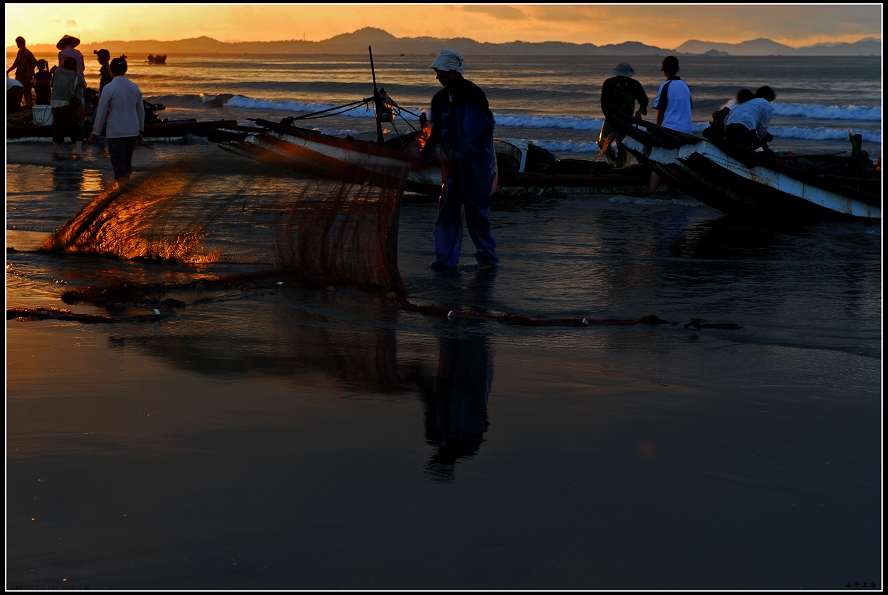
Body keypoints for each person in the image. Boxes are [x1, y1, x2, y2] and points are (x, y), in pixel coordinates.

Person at [420, 49, 499, 270]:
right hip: (453, 167)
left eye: (440, 72)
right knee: (446, 212)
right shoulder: (441, 98)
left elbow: (482, 130)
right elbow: (436, 132)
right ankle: (445, 260)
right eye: (436, 72)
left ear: (454, 72)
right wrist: (425, 154)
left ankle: (487, 258)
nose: (437, 77)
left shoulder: (473, 94)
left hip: (476, 165)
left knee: (476, 213)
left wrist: (464, 153)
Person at [88, 57, 145, 184]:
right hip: (132, 131)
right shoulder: (134, 87)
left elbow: (101, 112)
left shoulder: (109, 88)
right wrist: (141, 130)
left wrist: (95, 132)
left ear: (110, 70)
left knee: (119, 169)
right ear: (126, 70)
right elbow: (141, 111)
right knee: (127, 164)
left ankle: (124, 196)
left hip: (115, 132)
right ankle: (125, 189)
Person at [649, 55, 693, 195]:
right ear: (678, 69)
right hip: (686, 130)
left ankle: (652, 192)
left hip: (670, 129)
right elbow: (689, 108)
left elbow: (661, 111)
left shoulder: (665, 86)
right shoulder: (686, 86)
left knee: (657, 159)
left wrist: (658, 129)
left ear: (664, 70)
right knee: (678, 159)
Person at [598, 61, 648, 168]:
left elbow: (644, 101)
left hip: (627, 121)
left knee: (623, 146)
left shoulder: (635, 85)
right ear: (617, 74)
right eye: (621, 76)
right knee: (602, 143)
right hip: (611, 118)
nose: (622, 78)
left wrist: (640, 112)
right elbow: (604, 105)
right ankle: (614, 161)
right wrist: (612, 120)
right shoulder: (608, 83)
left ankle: (621, 167)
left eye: (625, 77)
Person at [49, 57, 86, 156]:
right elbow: (83, 84)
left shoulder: (56, 72)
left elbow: (51, 84)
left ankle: (54, 151)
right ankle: (78, 153)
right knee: (76, 127)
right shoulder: (76, 74)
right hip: (67, 103)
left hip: (54, 103)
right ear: (75, 66)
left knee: (57, 127)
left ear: (63, 64)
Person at [724, 85, 777, 152]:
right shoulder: (766, 104)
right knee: (759, 150)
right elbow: (762, 128)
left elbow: (727, 118)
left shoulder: (746, 103)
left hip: (729, 127)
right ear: (770, 97)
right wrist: (763, 137)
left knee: (750, 144)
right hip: (745, 128)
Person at [57, 34, 86, 121]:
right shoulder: (79, 53)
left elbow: (61, 68)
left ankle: (69, 121)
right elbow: (83, 67)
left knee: (68, 101)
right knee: (81, 100)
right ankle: (82, 120)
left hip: (68, 81)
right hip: (80, 79)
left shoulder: (62, 53)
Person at [6, 36, 37, 108]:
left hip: (26, 77)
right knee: (18, 92)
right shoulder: (19, 52)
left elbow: (34, 63)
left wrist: (29, 73)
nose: (17, 44)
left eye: (17, 43)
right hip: (19, 76)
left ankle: (28, 107)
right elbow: (16, 63)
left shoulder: (27, 53)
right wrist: (8, 70)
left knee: (27, 93)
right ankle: (19, 106)